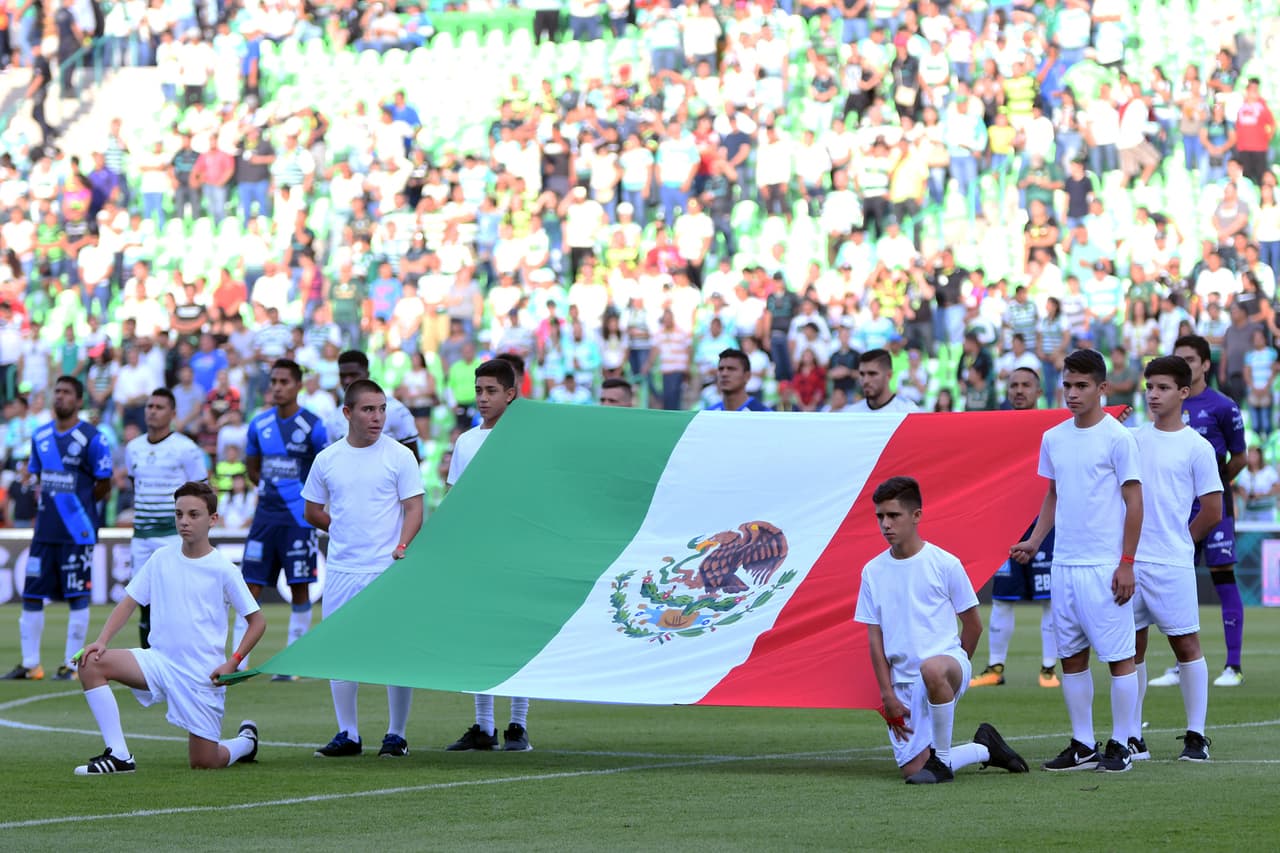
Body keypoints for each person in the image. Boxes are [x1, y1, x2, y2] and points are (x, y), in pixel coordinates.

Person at [72, 481, 265, 774]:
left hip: (202, 675)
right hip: (158, 662)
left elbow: (257, 622)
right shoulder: (161, 558)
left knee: (204, 762)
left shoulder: (223, 568)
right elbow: (128, 602)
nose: (184, 522)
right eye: (179, 514)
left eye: (193, 514)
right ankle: (120, 756)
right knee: (90, 663)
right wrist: (102, 640)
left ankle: (245, 743)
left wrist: (233, 662)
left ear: (213, 520)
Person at [1012, 349, 1143, 773]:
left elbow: (1135, 503)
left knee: (1120, 656)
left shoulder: (1119, 439)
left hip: (1104, 565)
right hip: (1064, 564)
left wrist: (1126, 562)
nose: (1072, 393)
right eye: (1067, 385)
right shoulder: (1054, 438)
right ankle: (1084, 744)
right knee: (1072, 657)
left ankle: (1122, 742)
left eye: (1082, 386)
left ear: (1103, 388)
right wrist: (1034, 541)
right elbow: (1053, 495)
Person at [854, 476, 1029, 784]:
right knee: (912, 769)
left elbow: (973, 625)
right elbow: (875, 638)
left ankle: (943, 763)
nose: (886, 524)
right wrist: (887, 694)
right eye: (880, 516)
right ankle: (985, 747)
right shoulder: (872, 571)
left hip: (946, 666)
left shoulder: (945, 563)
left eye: (894, 515)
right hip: (903, 684)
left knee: (932, 667)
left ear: (916, 516)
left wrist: (956, 669)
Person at [304, 379, 424, 759]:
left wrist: (401, 545)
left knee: (395, 653)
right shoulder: (327, 459)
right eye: (368, 409)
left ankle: (396, 734)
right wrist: (339, 528)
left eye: (382, 409)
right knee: (339, 652)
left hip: (386, 570)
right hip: (341, 570)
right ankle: (348, 733)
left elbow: (414, 508)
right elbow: (311, 510)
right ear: (347, 413)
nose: (377, 417)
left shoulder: (400, 456)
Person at [1130, 356, 1222, 763]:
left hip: (1171, 563)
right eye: (1150, 386)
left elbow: (1213, 509)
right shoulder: (1131, 439)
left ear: (1184, 393)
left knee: (1186, 645)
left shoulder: (1197, 447)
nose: (1154, 394)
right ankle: (1132, 736)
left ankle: (1197, 735)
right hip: (1129, 561)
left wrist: (1182, 542)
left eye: (1163, 387)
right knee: (1130, 650)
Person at [1149, 335, 1248, 688]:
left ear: (1205, 364)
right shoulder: (1165, 407)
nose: (1185, 365)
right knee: (1176, 580)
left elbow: (1239, 458)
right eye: (1179, 359)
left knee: (1222, 574)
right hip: (1176, 507)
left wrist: (1213, 485)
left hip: (1212, 508)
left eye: (1190, 360)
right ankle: (1181, 663)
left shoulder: (1223, 406)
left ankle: (1232, 666)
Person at [444, 359, 531, 752]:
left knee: (518, 637)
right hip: (477, 554)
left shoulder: (528, 438)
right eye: (479, 390)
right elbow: (456, 502)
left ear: (510, 394)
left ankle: (518, 724)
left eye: (491, 390)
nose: (482, 398)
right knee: (478, 638)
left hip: (517, 550)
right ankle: (484, 727)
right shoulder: (466, 442)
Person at [3, 376, 112, 681]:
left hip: (78, 531)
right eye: (57, 392)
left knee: (77, 595)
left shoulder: (93, 437)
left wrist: (81, 509)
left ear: (79, 401)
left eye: (66, 393)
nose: (60, 397)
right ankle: (30, 664)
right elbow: (37, 478)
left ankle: (71, 664)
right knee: (32, 594)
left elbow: (103, 484)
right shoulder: (40, 436)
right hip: (45, 531)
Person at [236, 359, 328, 678]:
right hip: (264, 520)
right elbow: (252, 467)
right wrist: (269, 488)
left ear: (298, 385)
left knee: (299, 587)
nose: (277, 387)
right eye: (273, 381)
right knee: (249, 589)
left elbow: (324, 469)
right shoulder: (258, 424)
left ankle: (291, 663)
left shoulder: (314, 426)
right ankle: (239, 661)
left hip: (299, 521)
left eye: (284, 381)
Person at [971, 368, 1060, 690]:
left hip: (1044, 524)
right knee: (1003, 598)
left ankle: (1049, 668)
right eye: (1014, 385)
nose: (1019, 390)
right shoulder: (996, 427)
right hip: (1008, 525)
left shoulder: (1055, 427)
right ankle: (995, 667)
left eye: (1026, 385)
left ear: (1039, 392)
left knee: (1049, 598)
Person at [125, 388, 209, 649]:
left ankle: (183, 656)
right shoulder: (133, 448)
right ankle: (149, 665)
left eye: (159, 407)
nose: (152, 411)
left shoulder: (185, 448)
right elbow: (134, 483)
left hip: (173, 535)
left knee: (176, 599)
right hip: (141, 536)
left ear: (173, 414)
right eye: (149, 406)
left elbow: (203, 491)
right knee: (144, 601)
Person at [323, 350, 419, 459]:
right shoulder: (334, 418)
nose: (347, 381)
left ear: (367, 374)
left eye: (353, 375)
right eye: (343, 376)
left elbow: (412, 457)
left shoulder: (394, 410)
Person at [850, 349, 920, 412]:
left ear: (889, 375)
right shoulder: (852, 413)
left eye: (872, 374)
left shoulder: (908, 412)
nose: (865, 381)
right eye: (862, 374)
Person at [1235, 446, 1279, 522]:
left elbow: (1277, 487)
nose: (1251, 457)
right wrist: (1246, 496)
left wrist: (1263, 494)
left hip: (1266, 511)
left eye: (1254, 455)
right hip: (1249, 511)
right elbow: (1240, 488)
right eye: (1249, 455)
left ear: (1260, 456)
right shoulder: (1244, 472)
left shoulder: (1268, 471)